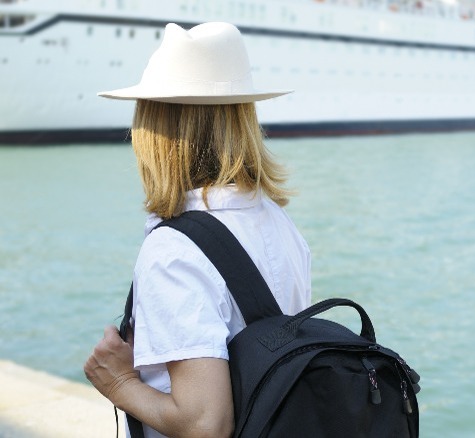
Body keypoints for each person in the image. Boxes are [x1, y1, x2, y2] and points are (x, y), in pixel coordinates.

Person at [83, 22, 311, 438]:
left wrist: (117, 382)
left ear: (154, 131)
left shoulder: (174, 250)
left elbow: (206, 423)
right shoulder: (276, 219)